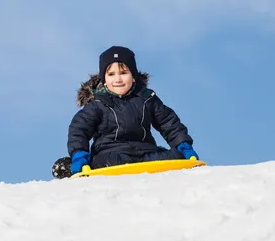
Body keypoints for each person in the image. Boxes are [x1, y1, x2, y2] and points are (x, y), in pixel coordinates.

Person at [52, 46, 199, 178]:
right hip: (110, 154)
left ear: (133, 76)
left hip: (145, 153)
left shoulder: (146, 98)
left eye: (123, 73)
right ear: (104, 80)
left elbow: (168, 122)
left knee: (175, 156)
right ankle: (70, 165)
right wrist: (79, 155)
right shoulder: (98, 104)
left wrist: (183, 146)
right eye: (111, 75)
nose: (118, 79)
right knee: (103, 161)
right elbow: (79, 129)